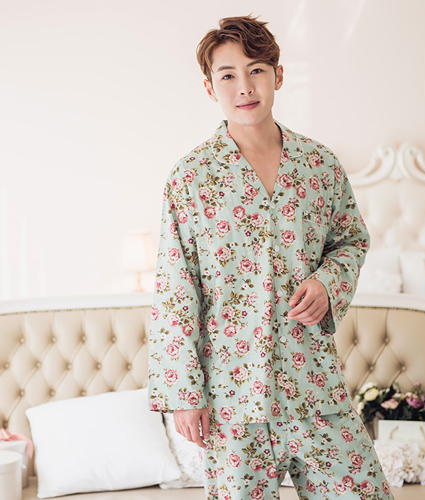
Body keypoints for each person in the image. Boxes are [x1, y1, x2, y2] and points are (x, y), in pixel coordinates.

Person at [148, 13, 394, 500]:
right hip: (232, 399)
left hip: (315, 387)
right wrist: (183, 395)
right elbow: (176, 291)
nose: (244, 86)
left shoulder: (320, 165)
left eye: (256, 70)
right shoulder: (190, 177)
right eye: (228, 75)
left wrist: (327, 282)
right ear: (209, 87)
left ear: (278, 76)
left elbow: (350, 240)